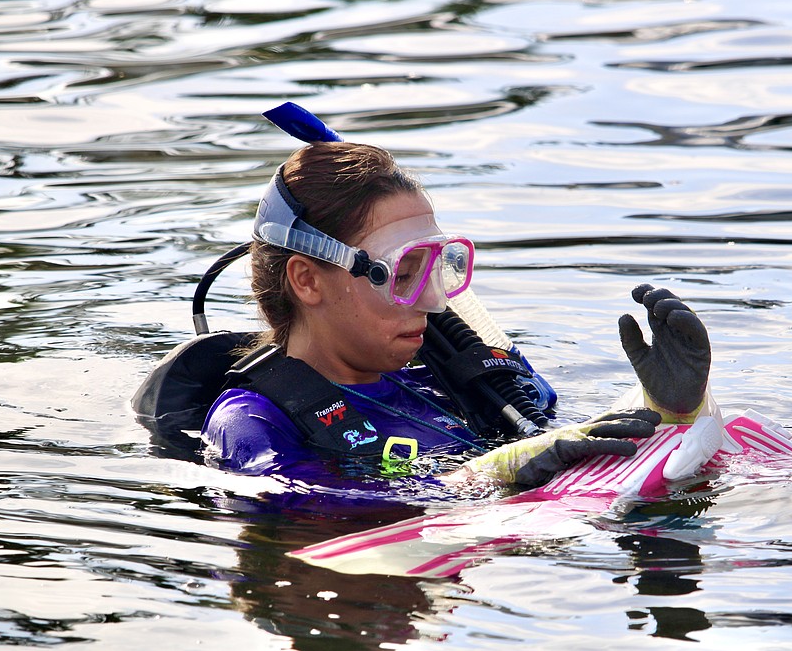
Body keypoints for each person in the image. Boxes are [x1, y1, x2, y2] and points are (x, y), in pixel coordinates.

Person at [201, 103, 712, 490]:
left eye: (438, 269)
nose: (434, 303)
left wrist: (669, 410)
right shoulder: (253, 422)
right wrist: (491, 476)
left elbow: (566, 445)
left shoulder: (455, 376)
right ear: (307, 280)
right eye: (402, 274)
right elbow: (310, 509)